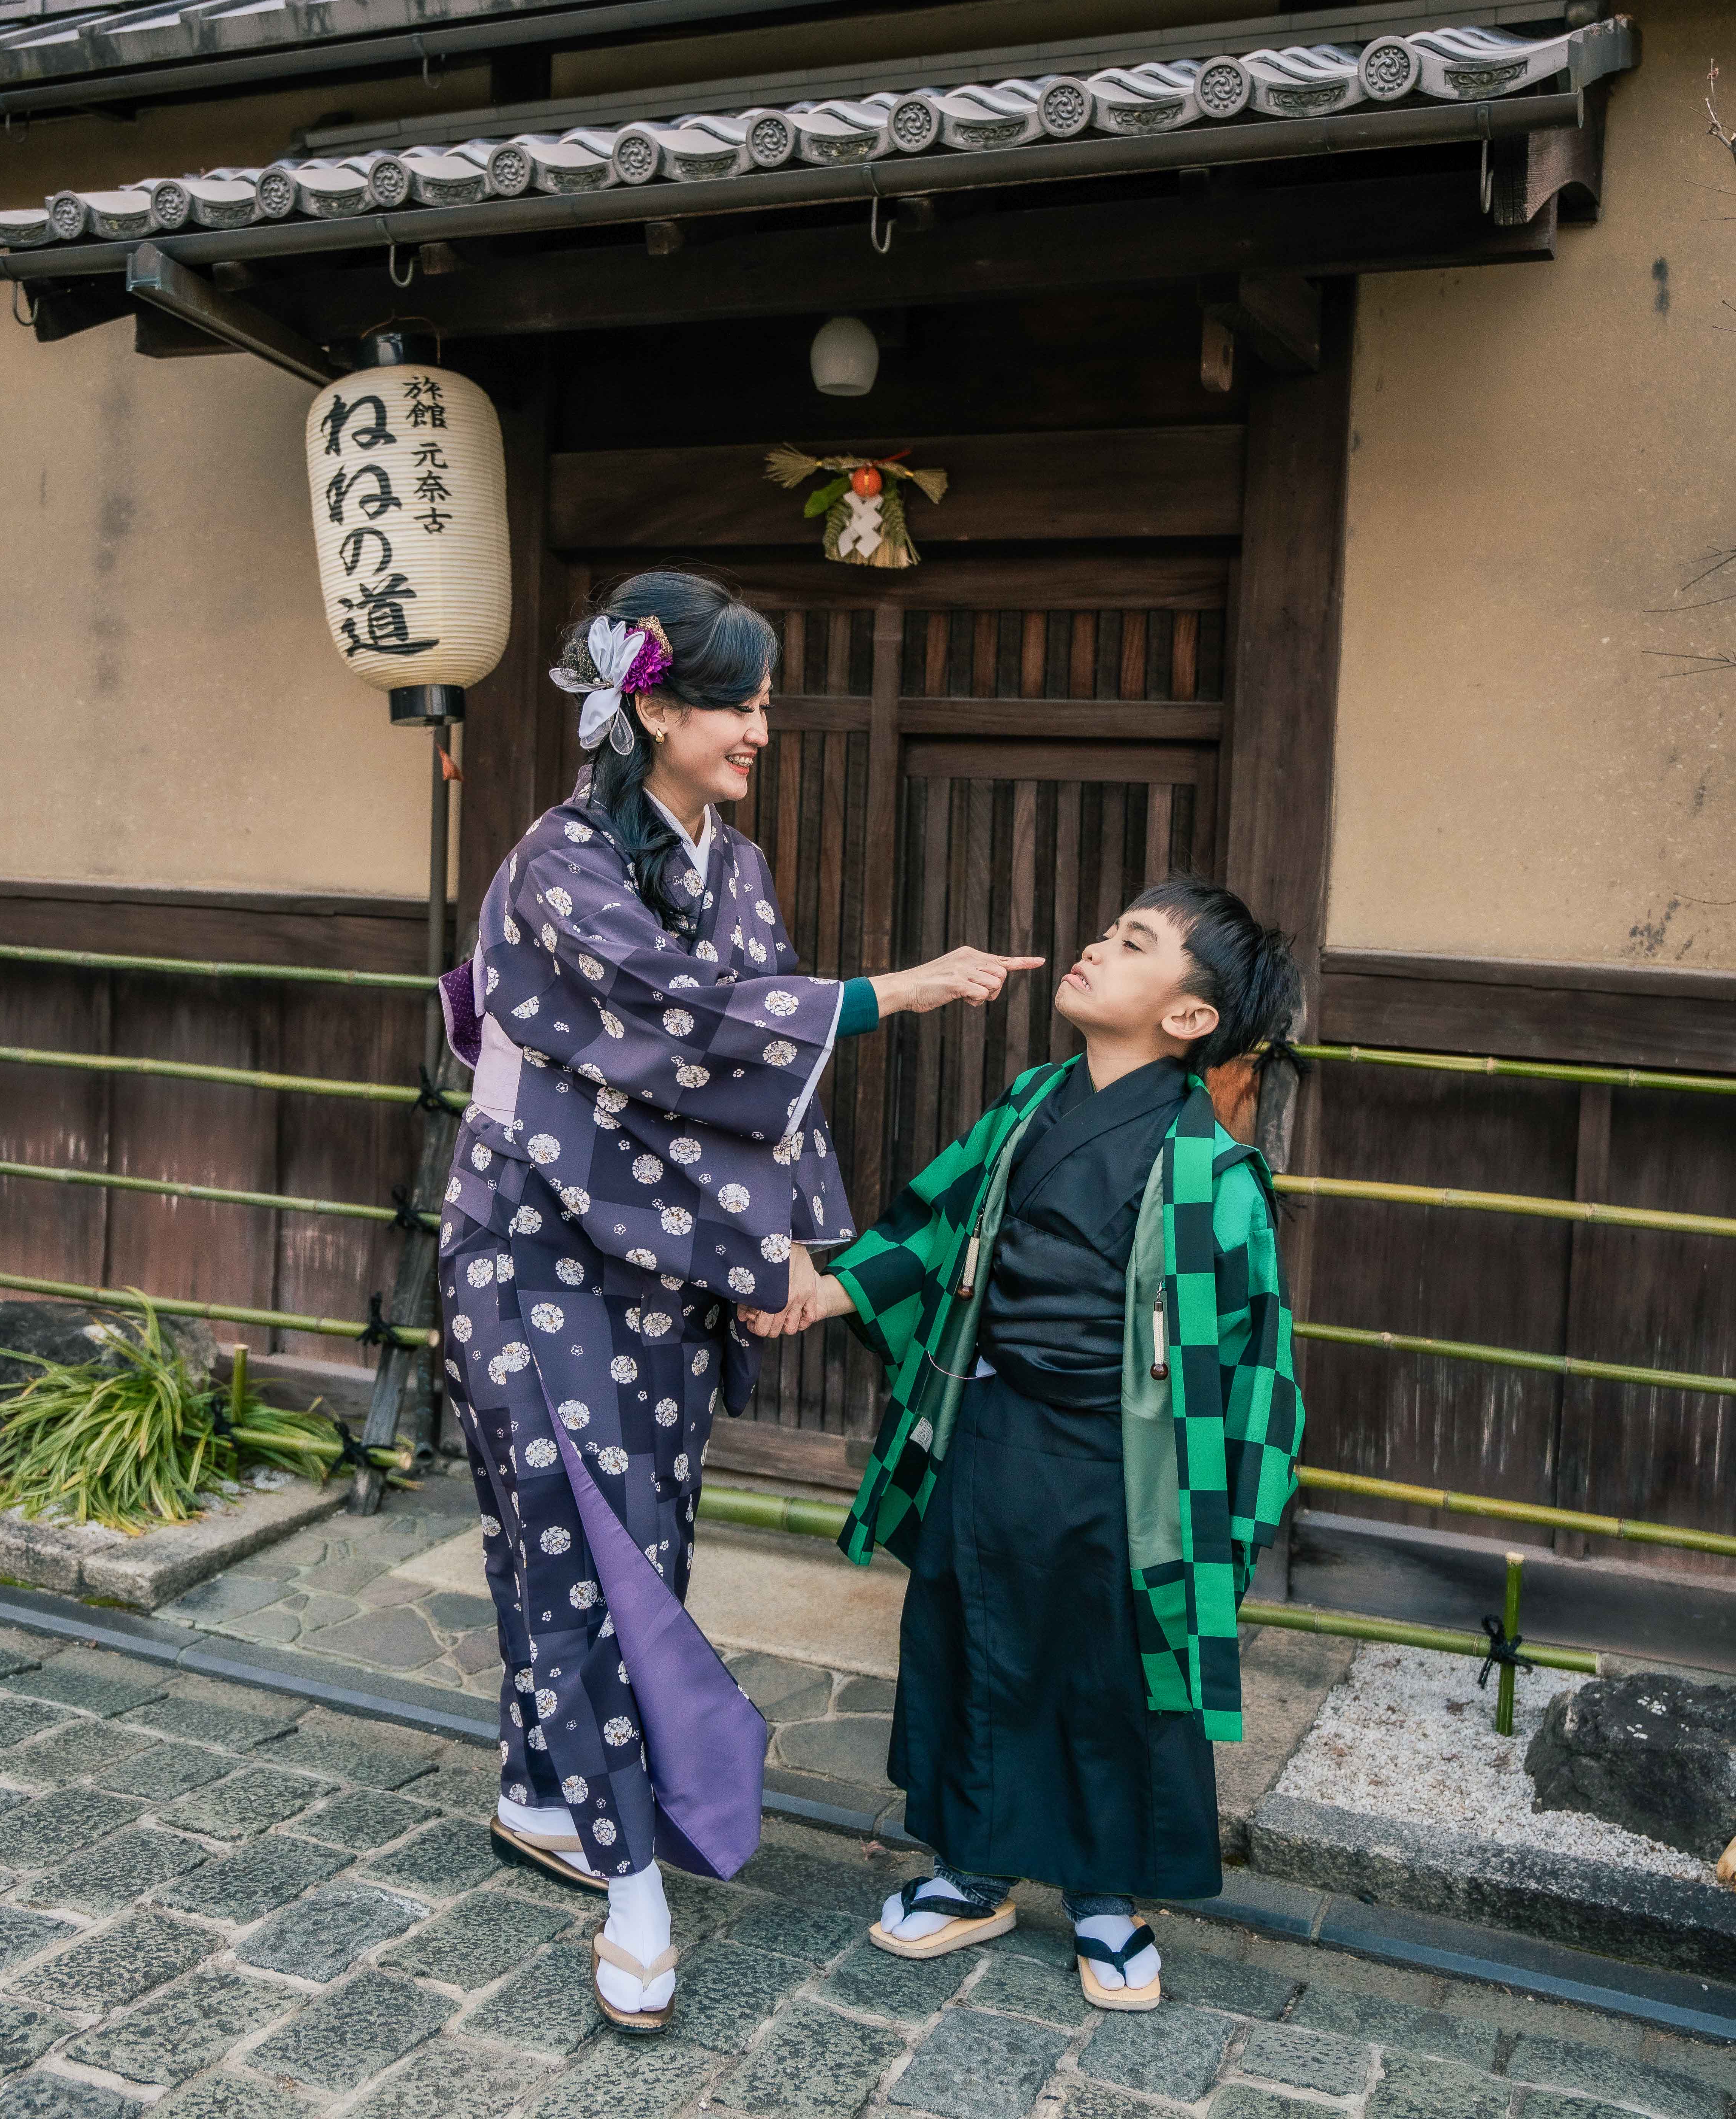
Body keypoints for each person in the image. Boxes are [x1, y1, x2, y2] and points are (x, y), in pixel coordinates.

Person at [436, 569, 1039, 2033]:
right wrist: (891, 992)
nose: (762, 729)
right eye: (738, 704)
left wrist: (799, 1258)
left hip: (665, 1269)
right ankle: (633, 1883)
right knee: (579, 1543)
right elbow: (687, 1024)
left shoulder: (740, 867)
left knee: (632, 1539)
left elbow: (763, 1092)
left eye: (766, 704)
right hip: (532, 1246)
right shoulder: (560, 859)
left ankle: (540, 1789)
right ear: (654, 710)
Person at [748, 879, 1305, 2009]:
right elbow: (937, 1224)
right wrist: (827, 1293)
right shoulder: (1030, 1102)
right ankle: (973, 1872)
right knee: (972, 1638)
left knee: (1114, 1672)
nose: (1096, 947)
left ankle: (1106, 1896)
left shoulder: (1217, 1175)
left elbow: (1253, 1375)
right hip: (995, 1425)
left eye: (1134, 944)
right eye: (1110, 930)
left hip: (1127, 1464)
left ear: (1190, 1018)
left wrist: (1227, 1529)